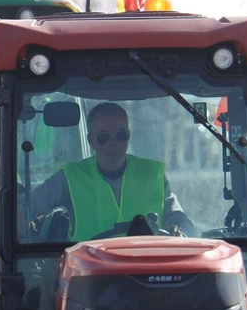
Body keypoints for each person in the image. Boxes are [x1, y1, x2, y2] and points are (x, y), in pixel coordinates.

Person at [24, 102, 193, 241]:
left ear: (129, 135)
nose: (113, 143)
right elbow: (27, 206)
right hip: (88, 276)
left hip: (149, 272)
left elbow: (178, 217)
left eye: (120, 135)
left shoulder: (153, 174)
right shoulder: (69, 177)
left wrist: (181, 232)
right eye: (103, 137)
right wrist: (17, 218)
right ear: (91, 141)